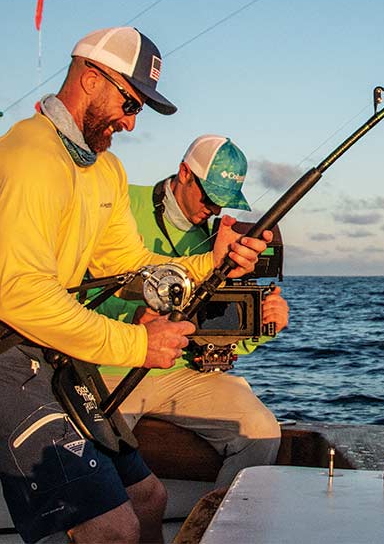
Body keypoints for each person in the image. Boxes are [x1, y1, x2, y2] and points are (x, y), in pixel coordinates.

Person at [0, 27, 272, 544]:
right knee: (111, 527)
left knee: (148, 498)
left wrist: (210, 262)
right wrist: (139, 343)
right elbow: (20, 295)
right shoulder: (29, 157)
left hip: (49, 350)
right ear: (90, 79)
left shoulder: (105, 168)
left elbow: (132, 266)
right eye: (129, 102)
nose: (132, 122)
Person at [94, 135, 289, 490]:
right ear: (185, 173)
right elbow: (75, 290)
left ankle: (210, 529)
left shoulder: (221, 237)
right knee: (95, 453)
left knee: (261, 430)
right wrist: (133, 317)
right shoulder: (121, 203)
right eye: (210, 196)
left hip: (180, 372)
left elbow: (221, 337)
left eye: (223, 202)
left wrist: (263, 325)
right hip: (110, 365)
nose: (213, 209)